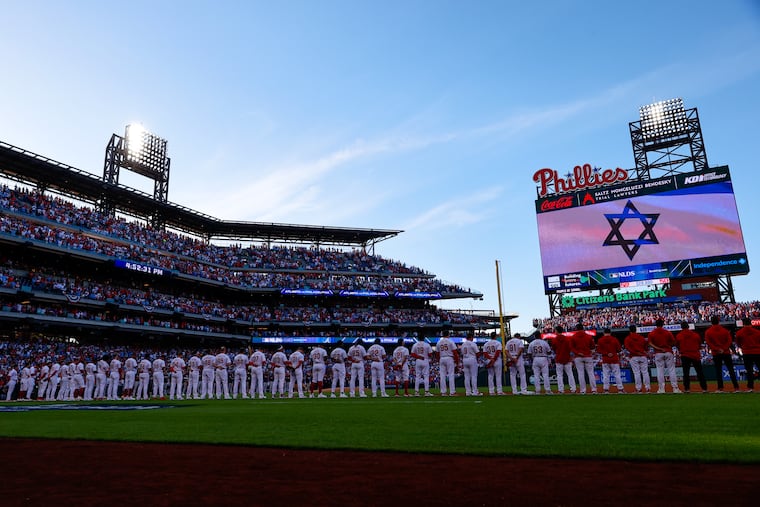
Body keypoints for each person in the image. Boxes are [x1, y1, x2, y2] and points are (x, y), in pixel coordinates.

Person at [704, 315, 739, 393]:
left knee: (718, 371)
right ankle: (736, 387)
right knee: (731, 370)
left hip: (716, 353)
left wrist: (717, 349)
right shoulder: (725, 330)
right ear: (718, 321)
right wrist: (724, 349)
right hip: (726, 352)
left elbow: (709, 343)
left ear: (711, 322)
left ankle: (720, 388)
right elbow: (729, 341)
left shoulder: (708, 331)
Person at [648, 319, 681, 394]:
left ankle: (661, 389)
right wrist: (668, 346)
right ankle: (675, 388)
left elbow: (650, 343)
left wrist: (658, 348)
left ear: (656, 324)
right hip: (668, 351)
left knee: (660, 371)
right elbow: (673, 342)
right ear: (663, 324)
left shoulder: (652, 333)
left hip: (658, 353)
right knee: (672, 370)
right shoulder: (667, 332)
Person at [675, 321, 708, 393]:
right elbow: (699, 344)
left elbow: (677, 346)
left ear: (681, 327)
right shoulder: (695, 335)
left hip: (685, 355)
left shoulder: (679, 335)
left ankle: (687, 389)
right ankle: (704, 388)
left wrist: (682, 350)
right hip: (695, 355)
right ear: (688, 326)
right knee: (700, 372)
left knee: (686, 373)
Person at [570, 324, 597, 395]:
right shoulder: (588, 336)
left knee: (580, 374)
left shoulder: (573, 337)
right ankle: (594, 390)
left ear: (576, 328)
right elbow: (593, 346)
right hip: (588, 355)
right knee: (591, 373)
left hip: (578, 357)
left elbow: (572, 348)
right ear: (583, 328)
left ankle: (583, 390)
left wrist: (578, 352)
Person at [624, 325, 651, 394]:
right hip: (642, 356)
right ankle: (648, 388)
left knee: (636, 373)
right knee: (645, 372)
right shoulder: (641, 337)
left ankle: (638, 389)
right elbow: (646, 346)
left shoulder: (628, 338)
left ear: (629, 330)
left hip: (634, 356)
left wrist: (635, 352)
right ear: (635, 330)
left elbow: (627, 348)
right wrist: (643, 351)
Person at [596, 328, 624, 394]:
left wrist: (606, 353)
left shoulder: (600, 340)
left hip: (605, 359)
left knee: (606, 376)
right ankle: (620, 389)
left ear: (604, 333)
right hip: (614, 358)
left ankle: (606, 390)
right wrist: (612, 353)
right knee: (617, 375)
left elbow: (599, 350)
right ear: (610, 333)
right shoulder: (614, 339)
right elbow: (619, 349)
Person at [736, 317, 760, 393]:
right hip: (757, 352)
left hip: (747, 353)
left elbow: (738, 343)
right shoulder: (757, 332)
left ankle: (750, 387)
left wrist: (743, 347)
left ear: (743, 324)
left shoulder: (739, 332)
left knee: (749, 371)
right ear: (751, 323)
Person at [551, 326, 576, 394]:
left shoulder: (554, 339)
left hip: (559, 358)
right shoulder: (567, 339)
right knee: (570, 374)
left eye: (555, 330)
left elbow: (553, 349)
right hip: (567, 358)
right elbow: (571, 349)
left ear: (556, 331)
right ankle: (573, 389)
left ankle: (561, 390)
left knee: (559, 375)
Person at [437, 330, 458, 396]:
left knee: (442, 376)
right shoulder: (450, 341)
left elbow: (437, 353)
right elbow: (455, 352)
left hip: (442, 358)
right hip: (449, 358)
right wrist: (457, 362)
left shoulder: (439, 342)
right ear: (448, 334)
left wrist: (439, 360)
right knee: (451, 375)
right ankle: (452, 392)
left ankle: (443, 392)